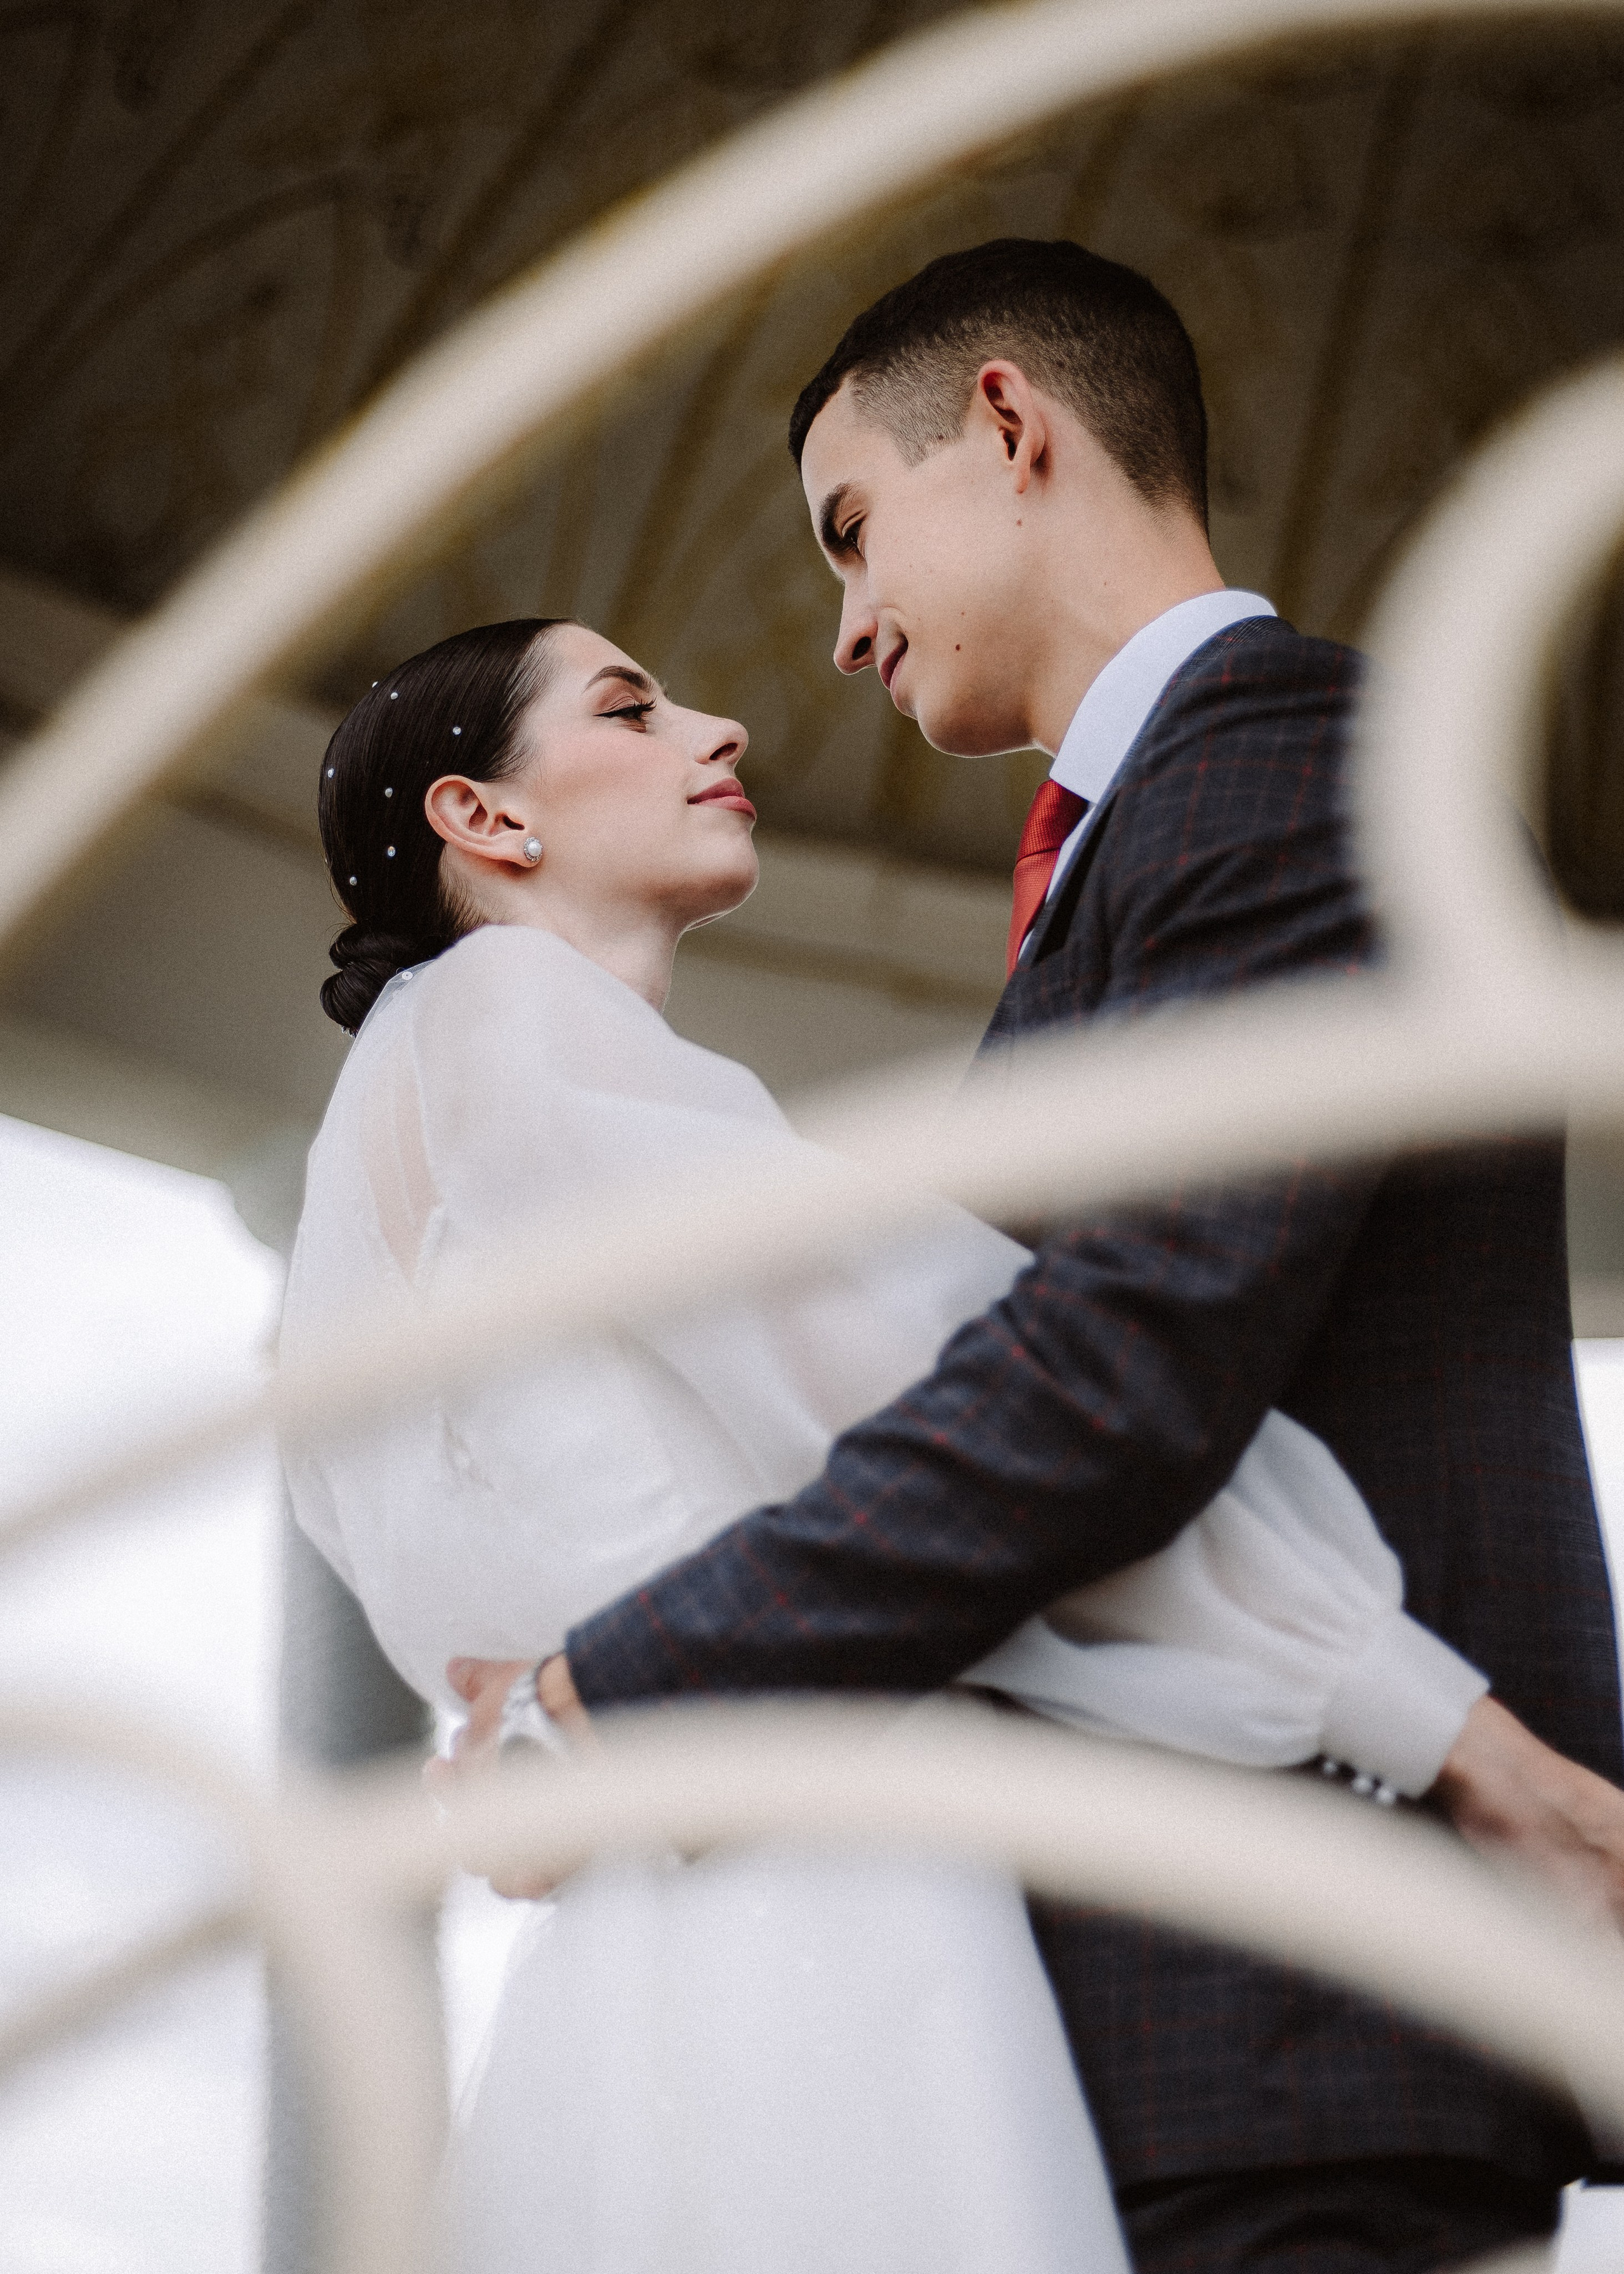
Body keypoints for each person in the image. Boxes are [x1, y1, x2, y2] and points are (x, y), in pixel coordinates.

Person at [445, 241, 1624, 2273]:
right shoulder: (1175, 823)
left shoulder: (1294, 754)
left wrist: (618, 1693)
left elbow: (1113, 1374)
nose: (836, 635)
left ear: (1008, 427)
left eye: (850, 534)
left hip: (1301, 2000)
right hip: (1188, 2018)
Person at [285, 611, 1520, 2273]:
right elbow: (968, 1400)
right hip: (837, 1891)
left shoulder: (405, 1105)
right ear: (485, 819)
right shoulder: (520, 1015)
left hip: (632, 1935)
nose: (722, 727)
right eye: (635, 708)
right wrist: (1415, 1702)